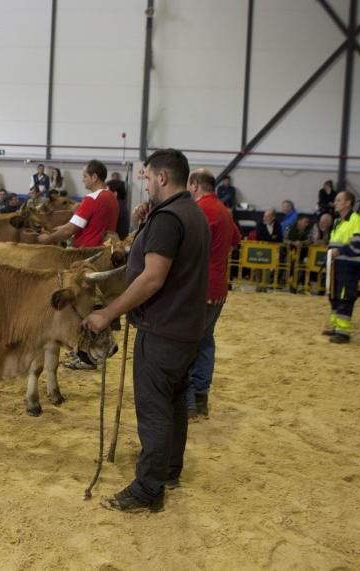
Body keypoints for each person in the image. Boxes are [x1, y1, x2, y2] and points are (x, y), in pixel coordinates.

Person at [81, 149, 209, 513]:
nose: (146, 183)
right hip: (186, 328)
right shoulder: (190, 213)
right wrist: (149, 221)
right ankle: (169, 470)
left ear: (163, 178)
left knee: (153, 407)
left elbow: (152, 278)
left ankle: (148, 488)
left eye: (149, 177)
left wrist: (107, 313)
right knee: (173, 403)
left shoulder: (169, 219)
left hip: (163, 329)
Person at [186, 168, 241, 419]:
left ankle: (187, 405)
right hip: (219, 286)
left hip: (200, 286)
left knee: (186, 344)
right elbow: (235, 240)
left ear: (195, 185)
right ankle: (201, 399)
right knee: (205, 341)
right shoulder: (224, 210)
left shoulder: (201, 210)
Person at [37, 160, 118, 249]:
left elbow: (70, 230)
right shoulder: (112, 197)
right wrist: (62, 228)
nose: (83, 180)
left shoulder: (92, 198)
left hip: (86, 252)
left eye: (85, 176)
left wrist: (48, 238)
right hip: (104, 250)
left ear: (94, 177)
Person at [324, 190, 360, 344]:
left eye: (338, 200)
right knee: (334, 295)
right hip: (336, 265)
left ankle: (343, 333)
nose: (335, 203)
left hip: (349, 266)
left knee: (345, 296)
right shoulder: (338, 222)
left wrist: (339, 251)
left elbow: (359, 246)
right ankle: (337, 327)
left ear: (348, 203)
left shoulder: (357, 220)